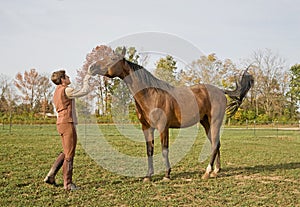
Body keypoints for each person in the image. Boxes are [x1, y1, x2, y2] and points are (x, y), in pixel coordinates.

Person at [44, 70, 91, 191]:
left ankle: (51, 175)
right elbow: (84, 91)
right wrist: (87, 78)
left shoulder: (56, 91)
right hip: (67, 123)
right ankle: (68, 184)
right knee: (70, 154)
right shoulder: (66, 90)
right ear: (62, 79)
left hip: (60, 122)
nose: (69, 77)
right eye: (67, 76)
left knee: (66, 150)